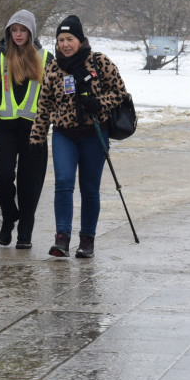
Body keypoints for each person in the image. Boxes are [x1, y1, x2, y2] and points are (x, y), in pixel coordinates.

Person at [30, 15, 128, 258]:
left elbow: (120, 93)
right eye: (61, 39)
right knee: (63, 182)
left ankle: (87, 240)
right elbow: (44, 106)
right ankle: (62, 238)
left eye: (69, 39)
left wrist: (99, 103)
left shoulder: (99, 62)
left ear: (80, 39)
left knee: (89, 188)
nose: (65, 44)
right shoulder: (53, 68)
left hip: (94, 134)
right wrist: (36, 138)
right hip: (64, 134)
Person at [0, 10, 52, 249]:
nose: (19, 34)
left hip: (35, 130)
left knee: (29, 185)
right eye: (14, 30)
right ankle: (9, 216)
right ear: (9, 32)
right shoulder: (2, 56)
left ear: (31, 32)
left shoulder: (46, 57)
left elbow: (55, 92)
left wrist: (48, 115)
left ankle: (25, 235)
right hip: (7, 128)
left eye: (23, 30)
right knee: (2, 178)